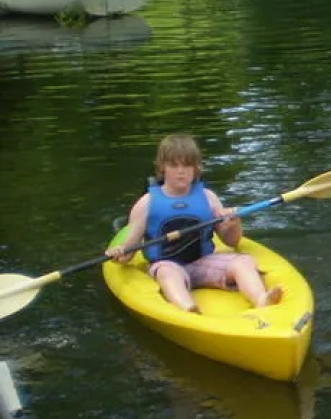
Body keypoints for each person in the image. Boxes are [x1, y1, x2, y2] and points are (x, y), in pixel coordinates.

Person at [107, 134, 281, 313]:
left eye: (187, 165)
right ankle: (187, 308)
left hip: (203, 261)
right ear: (162, 168)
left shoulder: (208, 198)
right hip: (166, 264)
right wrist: (119, 253)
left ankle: (261, 299)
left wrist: (233, 222)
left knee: (244, 262)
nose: (181, 171)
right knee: (168, 274)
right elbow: (129, 251)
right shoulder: (147, 203)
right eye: (174, 165)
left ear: (195, 168)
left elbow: (232, 241)